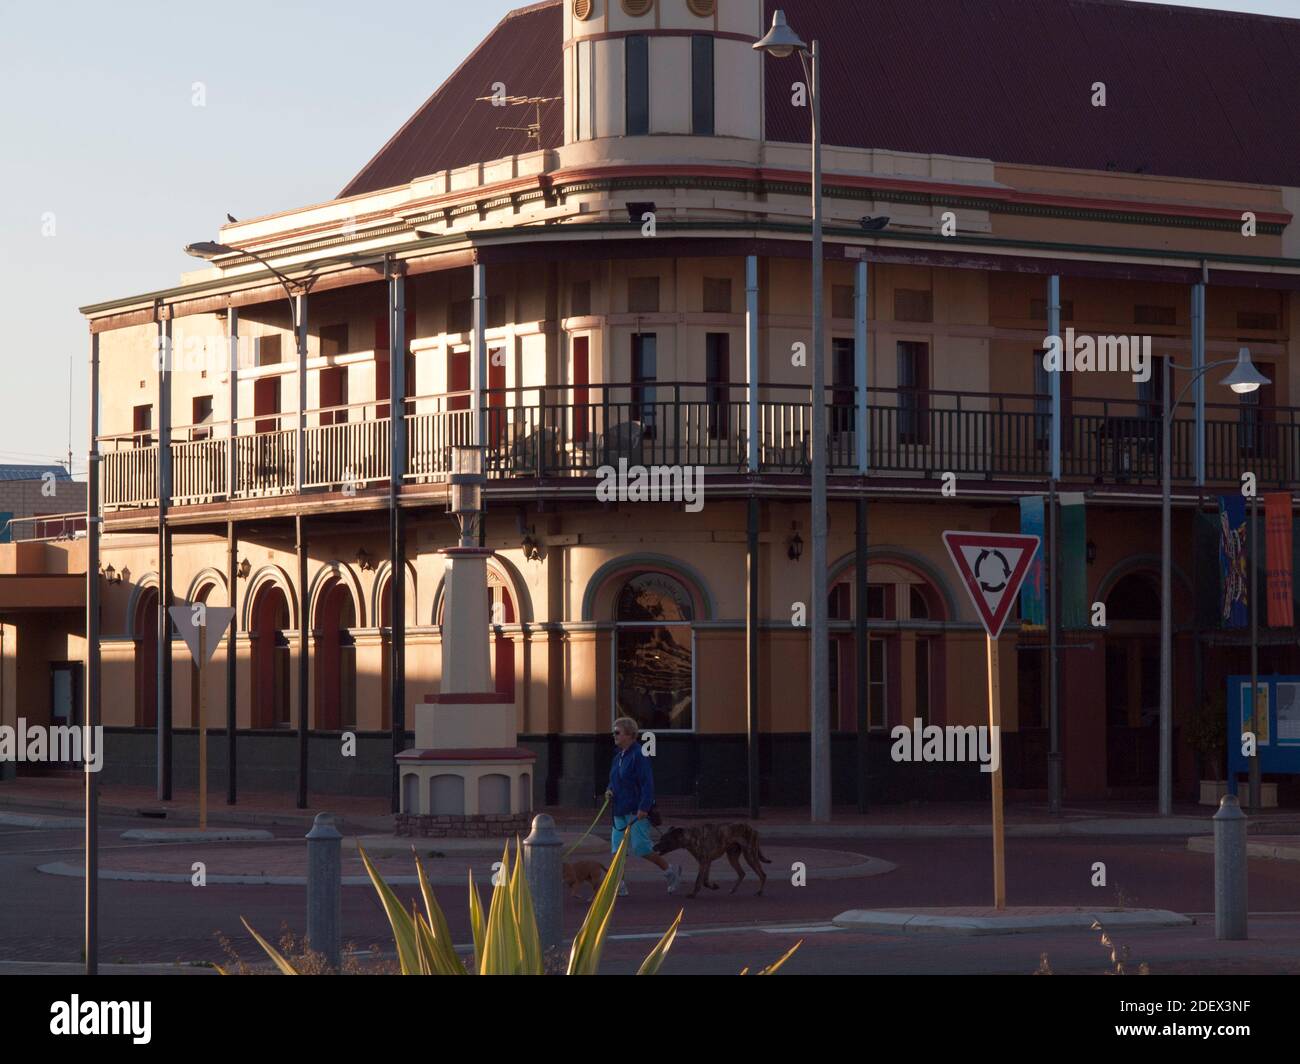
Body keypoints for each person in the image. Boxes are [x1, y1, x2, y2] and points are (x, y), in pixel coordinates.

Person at [606, 717, 680, 896]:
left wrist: (644, 808)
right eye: (614, 732)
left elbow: (647, 784)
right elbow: (614, 780)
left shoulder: (639, 755)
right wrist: (609, 790)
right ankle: (619, 884)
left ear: (630, 735)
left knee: (642, 848)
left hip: (636, 811)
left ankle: (670, 871)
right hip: (619, 809)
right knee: (617, 850)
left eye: (617, 732)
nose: (614, 735)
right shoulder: (618, 757)